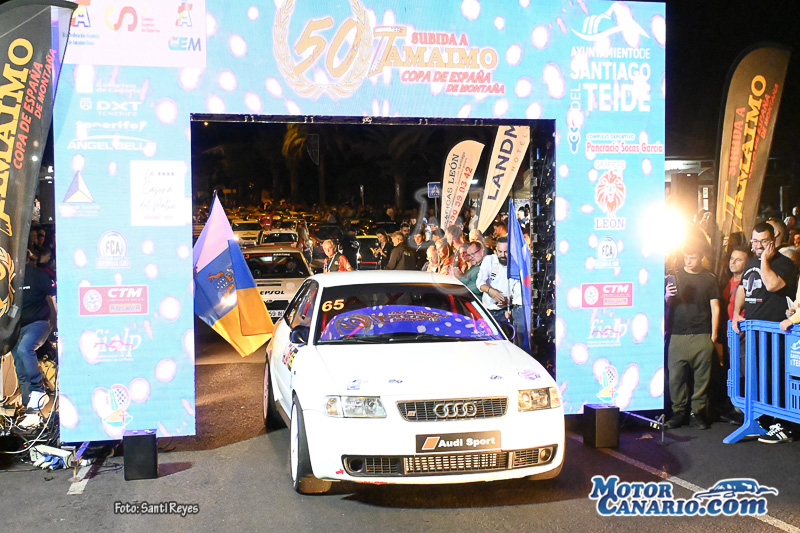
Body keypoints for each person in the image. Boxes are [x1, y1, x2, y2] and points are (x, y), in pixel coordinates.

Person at [733, 222, 799, 443]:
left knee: (777, 378)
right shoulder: (752, 263)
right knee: (757, 378)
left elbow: (772, 285)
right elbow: (743, 287)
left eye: (763, 241)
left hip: (777, 334)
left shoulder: (784, 264)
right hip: (754, 332)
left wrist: (765, 261)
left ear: (773, 241)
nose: (758, 246)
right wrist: (736, 313)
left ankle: (785, 426)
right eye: (755, 241)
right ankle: (765, 421)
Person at [663, 245, 720, 430]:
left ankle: (697, 412)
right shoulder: (675, 276)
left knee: (702, 378)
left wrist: (714, 335)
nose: (688, 261)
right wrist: (667, 296)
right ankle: (679, 412)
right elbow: (666, 305)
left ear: (701, 257)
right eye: (686, 257)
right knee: (675, 378)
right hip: (677, 333)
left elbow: (715, 307)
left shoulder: (709, 278)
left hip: (701, 333)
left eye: (692, 257)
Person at [11, 251, 57, 428]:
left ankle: (38, 390)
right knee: (19, 363)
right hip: (16, 327)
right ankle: (30, 411)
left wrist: (56, 323)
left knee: (25, 349)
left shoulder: (38, 275)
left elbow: (54, 295)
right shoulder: (8, 278)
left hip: (39, 323)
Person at [478, 237, 524, 345]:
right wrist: (491, 291)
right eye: (500, 251)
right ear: (495, 250)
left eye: (506, 252)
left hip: (505, 312)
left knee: (506, 344)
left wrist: (508, 300)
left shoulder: (516, 265)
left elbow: (518, 291)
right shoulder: (489, 260)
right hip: (488, 311)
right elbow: (480, 283)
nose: (503, 255)